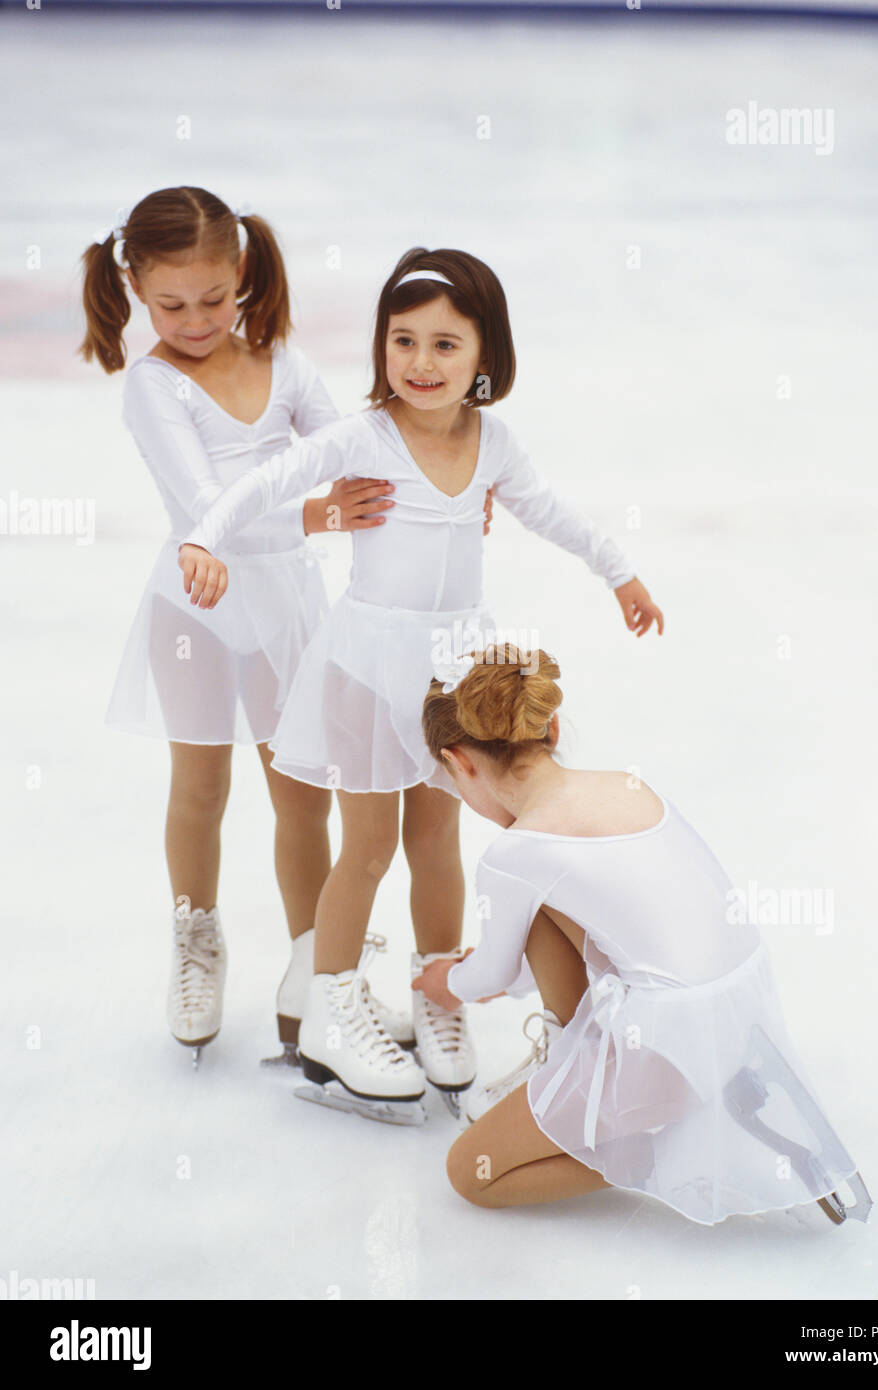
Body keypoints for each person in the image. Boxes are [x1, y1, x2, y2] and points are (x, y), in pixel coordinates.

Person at [175, 246, 665, 1120]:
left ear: (486, 356)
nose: (421, 363)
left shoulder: (495, 444)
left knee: (437, 843)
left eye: (446, 344)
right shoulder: (364, 437)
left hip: (453, 675)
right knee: (365, 846)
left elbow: (553, 511)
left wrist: (618, 572)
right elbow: (269, 480)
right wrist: (203, 538)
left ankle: (436, 995)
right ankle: (331, 1004)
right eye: (404, 342)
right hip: (368, 664)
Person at [79, 185, 414, 1065]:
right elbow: (207, 506)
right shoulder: (153, 388)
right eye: (169, 304)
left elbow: (357, 452)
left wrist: (434, 494)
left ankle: (319, 969)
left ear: (244, 277)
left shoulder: (286, 365)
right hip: (195, 608)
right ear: (136, 290)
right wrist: (322, 516)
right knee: (200, 786)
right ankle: (196, 938)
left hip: (290, 610)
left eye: (213, 299)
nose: (194, 320)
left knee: (301, 794)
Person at [414, 645, 872, 1226]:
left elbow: (490, 976)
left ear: (460, 763)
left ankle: (693, 1142)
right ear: (550, 727)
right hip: (733, 1024)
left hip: (662, 1048)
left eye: (449, 781)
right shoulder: (625, 786)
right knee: (545, 900)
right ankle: (620, 1081)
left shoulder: (514, 853)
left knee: (473, 1172)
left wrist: (443, 982)